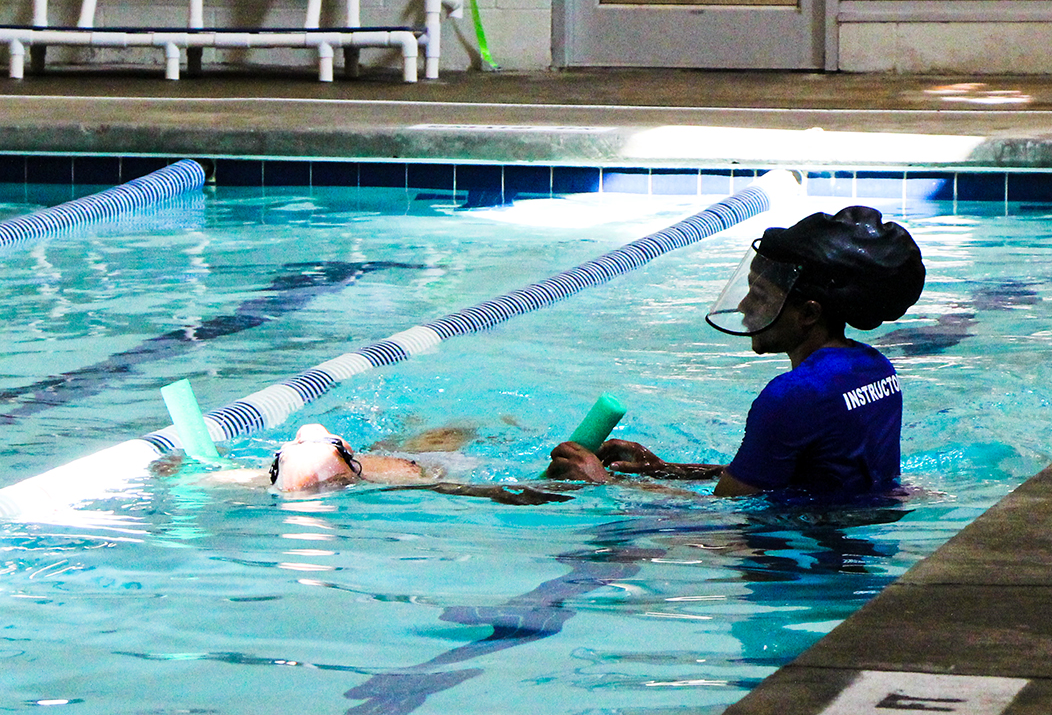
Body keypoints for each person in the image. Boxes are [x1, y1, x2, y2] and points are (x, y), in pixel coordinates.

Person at [547, 205, 925, 500]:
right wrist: (666, 469)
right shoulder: (875, 368)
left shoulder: (793, 394)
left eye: (760, 297)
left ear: (808, 313)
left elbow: (725, 515)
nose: (743, 307)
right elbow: (809, 478)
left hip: (800, 560)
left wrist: (602, 482)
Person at [193, 422, 569, 505]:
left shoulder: (257, 478)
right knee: (455, 433)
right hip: (428, 462)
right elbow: (470, 488)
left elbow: (197, 478)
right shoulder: (398, 477)